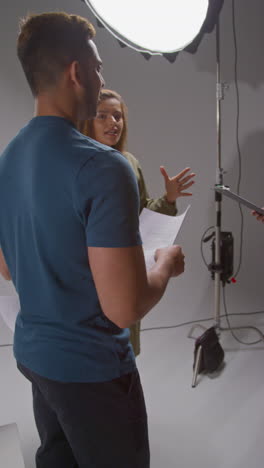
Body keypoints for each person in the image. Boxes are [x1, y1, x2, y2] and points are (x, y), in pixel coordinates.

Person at [0, 12, 185, 468]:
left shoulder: (8, 158)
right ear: (77, 71)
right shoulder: (105, 167)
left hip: (34, 357)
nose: (102, 77)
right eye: (99, 67)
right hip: (92, 371)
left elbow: (7, 266)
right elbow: (123, 307)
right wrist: (164, 264)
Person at [78, 88, 195, 356]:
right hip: (90, 270)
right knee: (95, 348)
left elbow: (142, 214)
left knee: (124, 343)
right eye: (102, 116)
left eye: (117, 116)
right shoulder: (78, 164)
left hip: (127, 267)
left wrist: (169, 197)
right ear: (86, 120)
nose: (113, 123)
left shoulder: (129, 163)